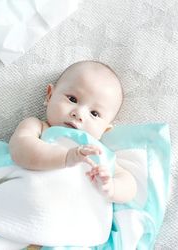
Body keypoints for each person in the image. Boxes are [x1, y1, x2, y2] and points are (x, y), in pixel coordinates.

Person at [9, 60, 137, 203]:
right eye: (72, 99)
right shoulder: (38, 127)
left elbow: (129, 185)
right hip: (26, 198)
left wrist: (112, 188)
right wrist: (66, 157)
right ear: (50, 96)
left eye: (94, 113)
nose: (79, 114)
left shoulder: (99, 152)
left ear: (104, 130)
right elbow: (20, 150)